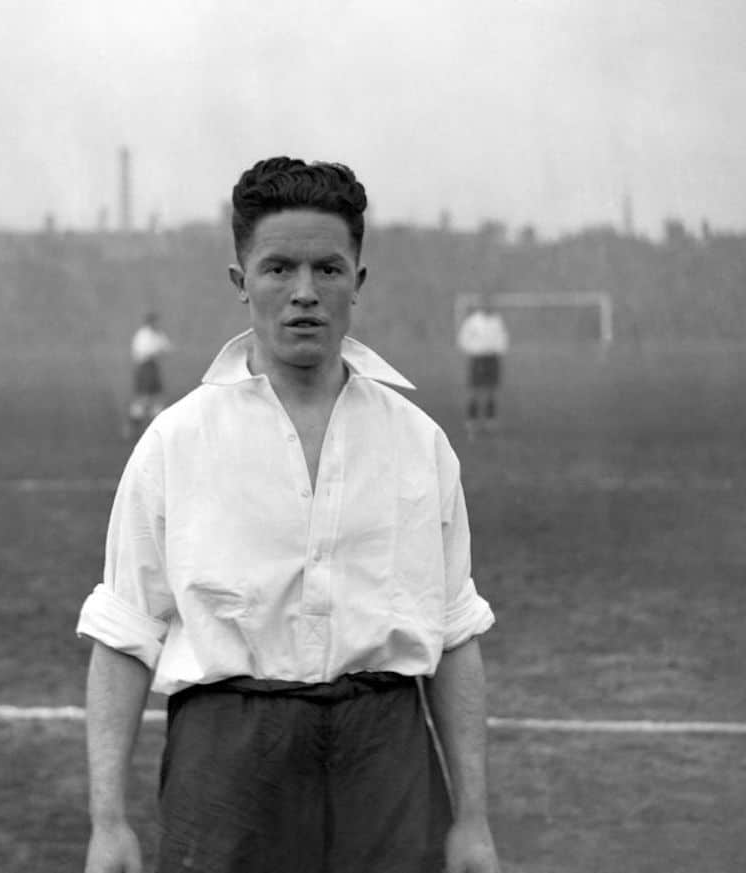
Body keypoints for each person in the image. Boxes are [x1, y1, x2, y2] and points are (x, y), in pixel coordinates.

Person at [77, 156, 500, 873]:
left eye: (328, 269)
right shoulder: (176, 444)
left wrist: (474, 821)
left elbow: (454, 635)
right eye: (278, 269)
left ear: (357, 282)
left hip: (387, 761)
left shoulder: (418, 443)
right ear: (241, 283)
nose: (304, 292)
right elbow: (123, 633)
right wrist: (108, 820)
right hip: (230, 766)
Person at [456, 291, 510, 440]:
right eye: (484, 303)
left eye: (489, 303)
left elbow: (503, 337)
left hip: (492, 358)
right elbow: (463, 338)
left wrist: (499, 350)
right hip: (478, 358)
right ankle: (472, 421)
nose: (487, 306)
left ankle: (490, 421)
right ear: (480, 305)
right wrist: (473, 350)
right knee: (475, 390)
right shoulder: (473, 321)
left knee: (491, 390)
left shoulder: (496, 320)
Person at [124, 311, 172, 439]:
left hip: (154, 368)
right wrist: (157, 351)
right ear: (150, 322)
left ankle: (158, 429)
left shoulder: (158, 334)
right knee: (143, 399)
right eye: (155, 322)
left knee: (157, 398)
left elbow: (167, 348)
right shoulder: (143, 335)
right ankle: (132, 428)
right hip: (144, 368)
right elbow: (143, 351)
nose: (157, 324)